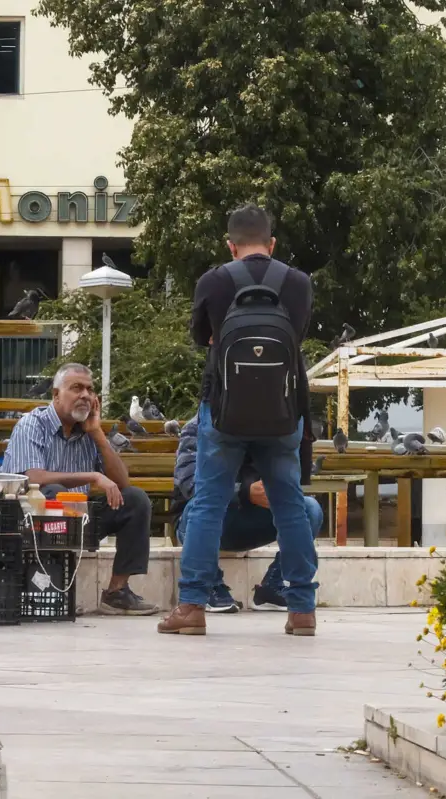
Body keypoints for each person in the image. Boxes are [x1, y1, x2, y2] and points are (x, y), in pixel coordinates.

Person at [159, 204, 319, 636]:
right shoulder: (299, 283)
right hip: (284, 414)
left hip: (223, 412)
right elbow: (296, 338)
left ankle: (192, 608)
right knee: (290, 507)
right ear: (271, 244)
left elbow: (201, 339)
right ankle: (302, 610)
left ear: (230, 246)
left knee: (207, 505)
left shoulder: (214, 281)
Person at [2, 363, 158, 616]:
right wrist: (93, 476)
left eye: (89, 390)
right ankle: (52, 590)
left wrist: (97, 434)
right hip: (32, 520)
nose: (85, 395)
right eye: (76, 388)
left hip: (79, 519)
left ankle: (117, 593)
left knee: (135, 499)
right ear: (56, 395)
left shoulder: (88, 430)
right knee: (50, 491)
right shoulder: (32, 423)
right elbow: (33, 478)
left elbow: (122, 483)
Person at [173, 416, 323, 612]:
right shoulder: (199, 425)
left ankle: (274, 585)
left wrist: (277, 491)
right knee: (198, 505)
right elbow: (190, 484)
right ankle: (208, 585)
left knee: (309, 508)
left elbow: (294, 481)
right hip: (206, 519)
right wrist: (245, 492)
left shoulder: (278, 427)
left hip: (253, 519)